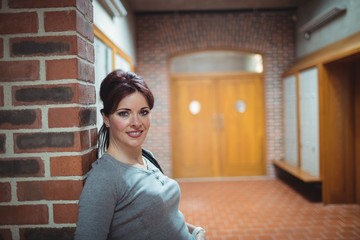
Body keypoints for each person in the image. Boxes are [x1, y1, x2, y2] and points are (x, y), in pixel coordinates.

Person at [75, 70, 207, 240]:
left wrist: (195, 231)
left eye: (143, 112)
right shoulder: (104, 179)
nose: (136, 123)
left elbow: (162, 214)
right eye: (124, 113)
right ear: (106, 118)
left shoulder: (147, 156)